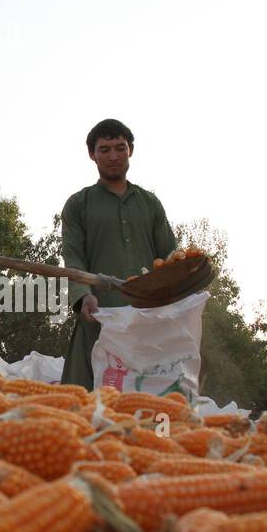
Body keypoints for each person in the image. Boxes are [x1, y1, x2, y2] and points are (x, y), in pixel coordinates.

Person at [59, 118, 177, 388]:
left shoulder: (149, 203)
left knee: (150, 402)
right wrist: (83, 295)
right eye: (104, 149)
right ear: (92, 155)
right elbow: (73, 256)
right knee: (85, 405)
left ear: (130, 151)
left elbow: (170, 257)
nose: (113, 156)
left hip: (147, 323)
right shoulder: (78, 205)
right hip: (99, 318)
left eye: (120, 148)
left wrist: (177, 297)